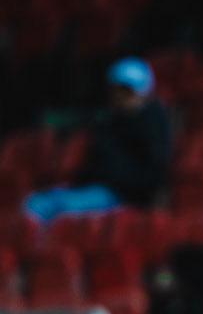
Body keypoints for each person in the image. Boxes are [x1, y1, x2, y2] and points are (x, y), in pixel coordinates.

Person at [26, 58, 171, 219]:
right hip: (95, 188)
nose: (120, 96)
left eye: (126, 90)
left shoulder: (152, 123)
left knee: (61, 208)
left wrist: (119, 180)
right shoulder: (112, 120)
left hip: (122, 194)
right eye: (117, 90)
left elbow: (151, 172)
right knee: (36, 201)